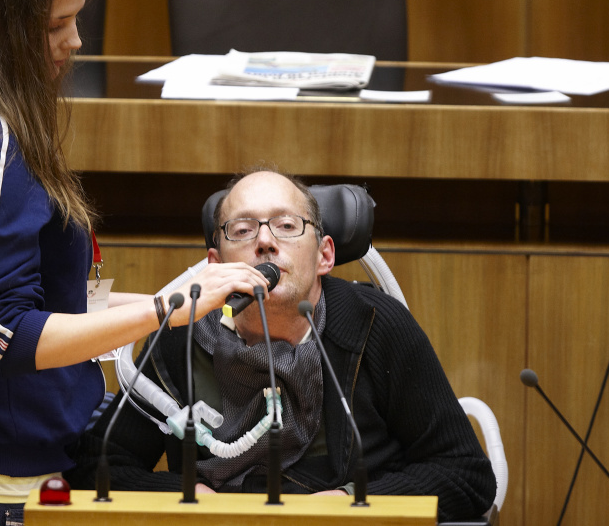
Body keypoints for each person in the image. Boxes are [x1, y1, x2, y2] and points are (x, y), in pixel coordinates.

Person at [0, 0, 271, 524]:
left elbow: (50, 301)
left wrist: (192, 300)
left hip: (3, 467)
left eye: (76, 19)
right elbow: (10, 333)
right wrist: (164, 310)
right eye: (56, 26)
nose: (76, 41)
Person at [66, 168, 497, 522]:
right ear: (216, 264)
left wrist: (349, 502)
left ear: (325, 255)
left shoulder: (375, 325)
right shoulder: (183, 331)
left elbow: (465, 474)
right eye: (243, 229)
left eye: (288, 226)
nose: (265, 241)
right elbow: (99, 466)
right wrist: (190, 495)